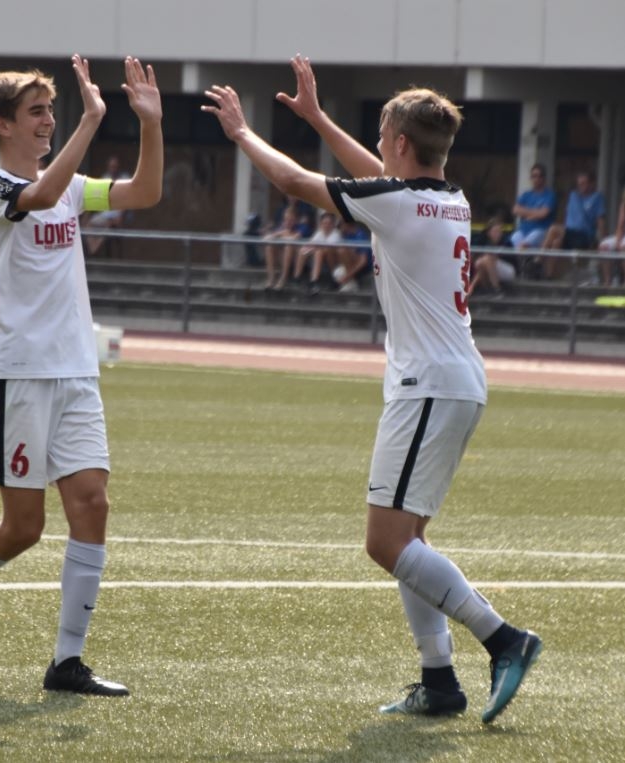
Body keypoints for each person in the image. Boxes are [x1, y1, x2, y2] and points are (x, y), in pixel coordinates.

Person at [203, 54, 541, 724]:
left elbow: (294, 182)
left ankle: (504, 638)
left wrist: (241, 132)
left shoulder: (395, 201)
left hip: (428, 385)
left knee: (386, 543)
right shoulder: (449, 198)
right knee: (408, 540)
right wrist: (319, 119)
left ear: (401, 143)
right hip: (451, 380)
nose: (380, 146)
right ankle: (438, 681)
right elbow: (378, 178)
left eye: (384, 135)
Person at [0, 55, 163, 696]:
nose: (49, 120)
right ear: (2, 124)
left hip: (76, 371)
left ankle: (66, 663)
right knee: (24, 527)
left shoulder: (69, 185)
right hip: (18, 373)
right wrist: (93, 120)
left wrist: (151, 124)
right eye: (37, 112)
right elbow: (41, 196)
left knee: (93, 504)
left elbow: (144, 193)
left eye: (52, 110)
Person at [539, 170, 606, 279]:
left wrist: (602, 241)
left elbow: (600, 220)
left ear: (591, 183)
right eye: (579, 184)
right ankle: (548, 275)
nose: (581, 186)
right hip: (570, 234)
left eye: (584, 183)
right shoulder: (573, 196)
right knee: (556, 242)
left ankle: (537, 260)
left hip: (584, 236)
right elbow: (568, 215)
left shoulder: (597, 198)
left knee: (553, 228)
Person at [510, 163, 557, 278]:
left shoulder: (549, 195)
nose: (536, 179)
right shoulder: (526, 194)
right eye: (534, 176)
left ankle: (527, 269)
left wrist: (526, 212)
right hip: (523, 230)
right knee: (513, 238)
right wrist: (535, 213)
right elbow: (515, 210)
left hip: (541, 231)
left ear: (543, 178)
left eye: (539, 176)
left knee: (525, 244)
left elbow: (543, 214)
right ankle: (524, 269)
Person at [84, 155, 131, 255]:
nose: (113, 169)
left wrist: (120, 216)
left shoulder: (124, 178)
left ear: (118, 167)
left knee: (107, 225)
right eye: (111, 166)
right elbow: (98, 197)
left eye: (115, 166)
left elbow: (128, 199)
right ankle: (93, 249)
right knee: (89, 224)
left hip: (117, 215)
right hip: (105, 214)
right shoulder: (105, 178)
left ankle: (94, 250)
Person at [292, 210, 342, 293]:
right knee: (303, 251)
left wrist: (315, 247)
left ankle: (314, 280)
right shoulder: (319, 233)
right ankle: (297, 277)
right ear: (321, 224)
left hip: (332, 260)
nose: (326, 225)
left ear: (333, 224)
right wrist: (309, 248)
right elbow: (311, 244)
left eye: (329, 223)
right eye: (324, 223)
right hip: (318, 255)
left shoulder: (336, 234)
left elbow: (329, 248)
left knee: (319, 252)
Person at [468, 217, 518, 297]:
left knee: (487, 259)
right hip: (488, 267)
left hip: (508, 269)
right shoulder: (483, 241)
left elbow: (511, 259)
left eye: (499, 231)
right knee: (480, 263)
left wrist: (472, 285)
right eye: (495, 231)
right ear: (489, 232)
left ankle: (497, 289)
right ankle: (487, 288)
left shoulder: (506, 242)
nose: (497, 234)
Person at [262, 205, 302, 289]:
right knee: (269, 247)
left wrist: (282, 234)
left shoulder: (301, 227)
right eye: (286, 219)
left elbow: (294, 238)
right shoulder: (281, 228)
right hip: (281, 258)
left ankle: (283, 278)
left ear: (296, 220)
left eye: (291, 220)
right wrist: (278, 234)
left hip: (295, 261)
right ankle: (271, 278)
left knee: (288, 247)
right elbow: (269, 237)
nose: (288, 222)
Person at [598, 187, 625, 286]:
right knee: (604, 246)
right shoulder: (623, 206)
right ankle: (608, 281)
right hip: (623, 236)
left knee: (624, 247)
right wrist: (618, 241)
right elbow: (620, 225)